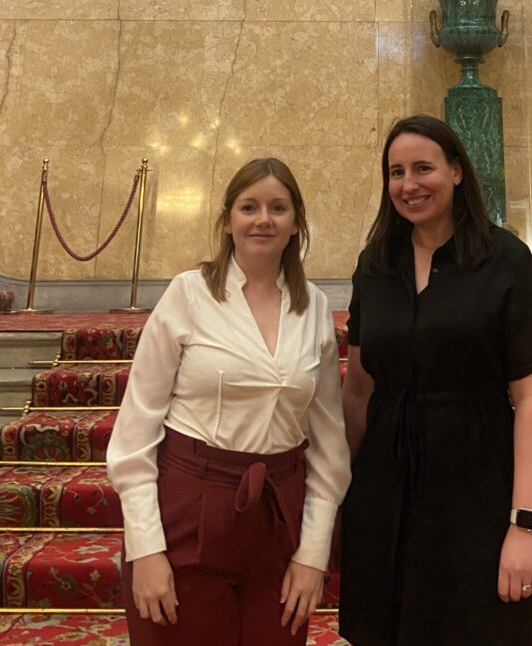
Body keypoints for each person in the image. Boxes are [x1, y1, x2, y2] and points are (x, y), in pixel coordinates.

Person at [107, 157, 351, 645]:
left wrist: (312, 553)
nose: (263, 219)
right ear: (227, 221)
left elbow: (329, 446)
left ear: (297, 223)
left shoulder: (314, 308)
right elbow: (134, 433)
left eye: (278, 208)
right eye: (249, 207)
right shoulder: (188, 295)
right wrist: (146, 549)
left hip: (277, 517)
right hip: (189, 509)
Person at [339, 115, 532, 645]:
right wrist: (338, 499)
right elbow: (359, 390)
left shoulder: (506, 260)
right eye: (396, 172)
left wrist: (525, 524)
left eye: (423, 168)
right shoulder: (375, 264)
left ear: (457, 171)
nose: (409, 184)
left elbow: (531, 399)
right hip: (384, 487)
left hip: (475, 486)